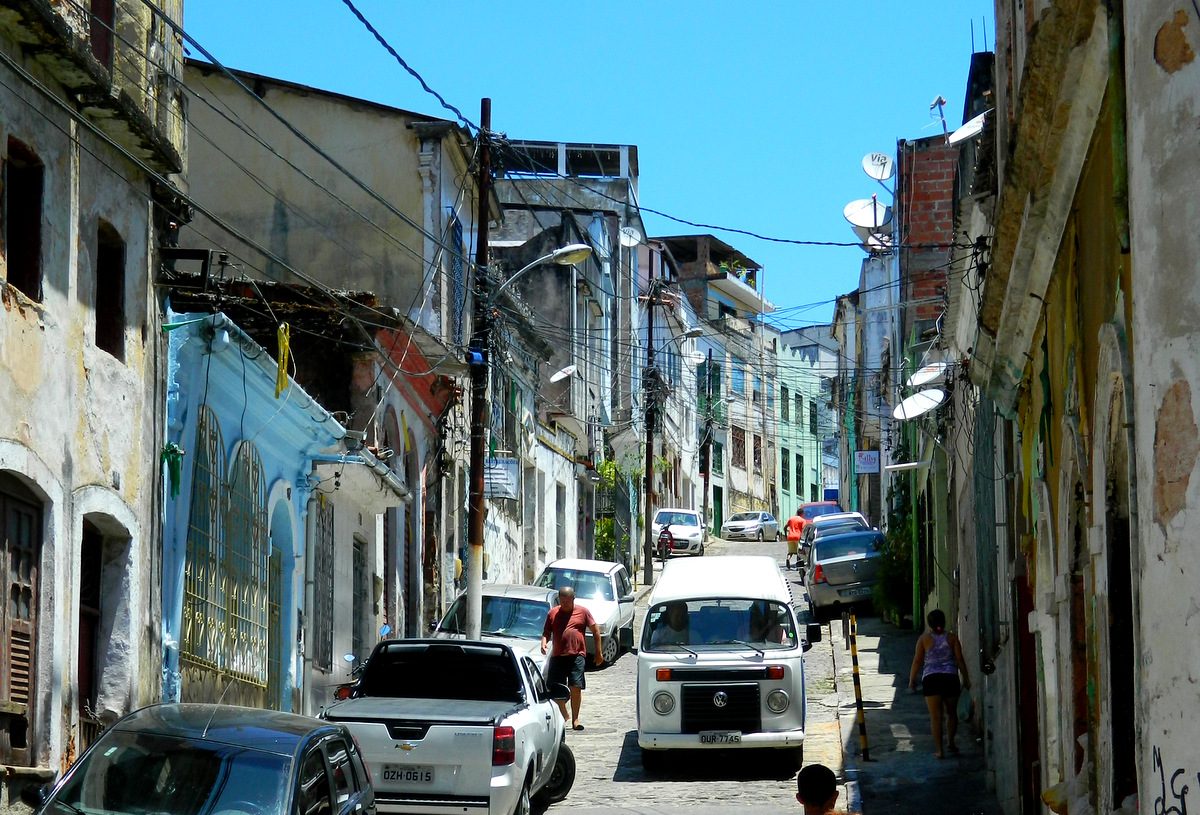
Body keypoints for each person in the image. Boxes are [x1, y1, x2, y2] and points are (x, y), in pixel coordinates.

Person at [908, 608, 971, 758]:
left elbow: (917, 660)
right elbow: (960, 660)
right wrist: (966, 679)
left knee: (935, 717)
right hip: (950, 678)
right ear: (943, 622)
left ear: (929, 624)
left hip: (931, 679)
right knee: (951, 713)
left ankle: (939, 750)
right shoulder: (952, 638)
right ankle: (951, 742)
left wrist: (912, 679)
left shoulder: (924, 640)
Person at [541, 586, 603, 730]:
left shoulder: (583, 612)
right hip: (558, 656)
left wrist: (599, 652)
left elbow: (595, 631)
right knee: (556, 689)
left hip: (577, 655)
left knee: (576, 687)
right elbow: (546, 632)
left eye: (568, 601)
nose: (565, 604)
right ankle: (564, 715)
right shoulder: (553, 613)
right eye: (562, 601)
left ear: (573, 599)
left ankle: (575, 720)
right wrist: (544, 643)